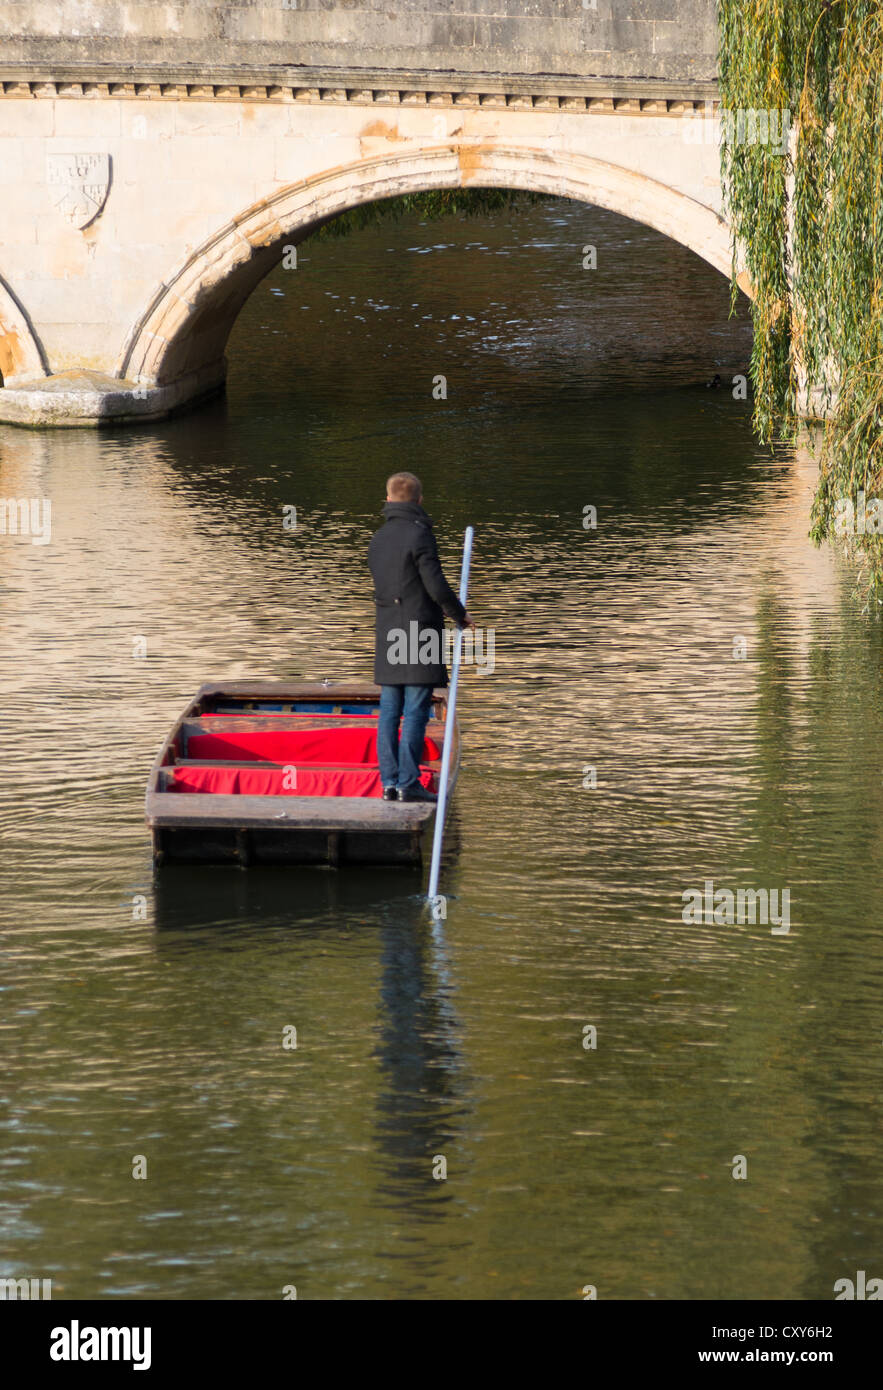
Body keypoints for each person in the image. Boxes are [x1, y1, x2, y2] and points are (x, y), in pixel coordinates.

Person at [368, 472, 473, 802]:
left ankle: (388, 782)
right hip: (419, 632)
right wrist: (459, 615)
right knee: (414, 710)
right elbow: (435, 584)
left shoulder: (378, 538)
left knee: (389, 709)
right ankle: (409, 783)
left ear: (387, 499)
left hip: (389, 631)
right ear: (419, 500)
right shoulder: (420, 535)